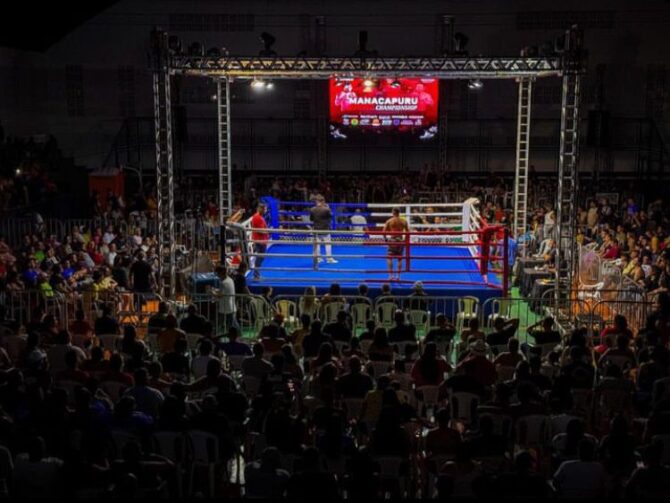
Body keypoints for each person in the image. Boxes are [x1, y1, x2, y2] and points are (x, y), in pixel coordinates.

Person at [310, 195, 337, 264]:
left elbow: (311, 219)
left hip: (316, 229)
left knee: (317, 244)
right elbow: (330, 217)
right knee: (328, 244)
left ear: (317, 201)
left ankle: (319, 258)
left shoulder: (312, 209)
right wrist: (328, 208)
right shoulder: (326, 209)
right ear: (323, 201)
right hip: (325, 229)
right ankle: (329, 259)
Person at [383, 207, 409, 280]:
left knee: (389, 257)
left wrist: (386, 240)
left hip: (392, 240)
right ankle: (398, 276)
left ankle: (391, 276)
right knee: (400, 258)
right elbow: (408, 232)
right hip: (400, 240)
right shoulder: (404, 221)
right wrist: (405, 241)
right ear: (399, 213)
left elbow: (383, 231)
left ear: (393, 212)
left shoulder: (389, 221)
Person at [212, 265, 238, 331]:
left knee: (230, 326)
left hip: (226, 308)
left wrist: (211, 292)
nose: (217, 275)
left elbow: (220, 295)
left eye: (217, 273)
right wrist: (215, 290)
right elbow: (225, 291)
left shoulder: (223, 283)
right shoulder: (230, 280)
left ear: (220, 273)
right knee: (233, 325)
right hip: (231, 307)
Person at [250, 204, 269, 279]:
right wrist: (269, 232)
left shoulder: (258, 216)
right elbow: (260, 231)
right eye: (264, 209)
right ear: (260, 209)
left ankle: (256, 274)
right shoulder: (258, 217)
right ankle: (256, 275)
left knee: (260, 257)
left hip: (260, 240)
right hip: (260, 241)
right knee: (260, 258)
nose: (265, 211)